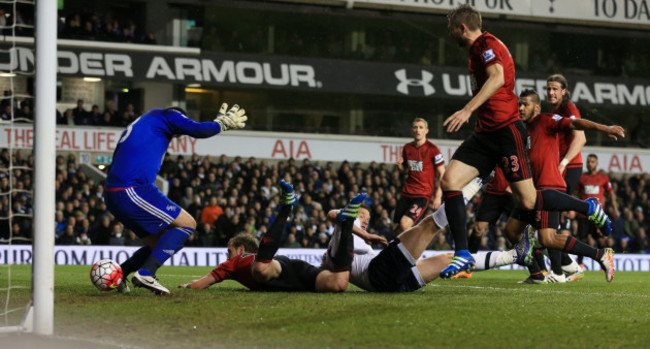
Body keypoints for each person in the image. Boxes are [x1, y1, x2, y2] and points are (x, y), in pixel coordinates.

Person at [439, 4, 612, 278]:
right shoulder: (476, 51)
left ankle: (587, 207)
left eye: (451, 28)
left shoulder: (488, 44)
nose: (449, 34)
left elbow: (497, 77)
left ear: (462, 27)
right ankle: (462, 253)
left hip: (506, 133)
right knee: (449, 182)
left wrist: (468, 109)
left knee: (530, 202)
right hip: (484, 134)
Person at [104, 103, 247, 295]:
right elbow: (199, 130)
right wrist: (220, 124)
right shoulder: (168, 115)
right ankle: (147, 273)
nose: (178, 134)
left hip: (115, 192)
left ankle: (120, 274)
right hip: (131, 189)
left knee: (158, 243)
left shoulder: (143, 122)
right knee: (187, 224)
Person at [320, 176, 534, 293]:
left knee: (450, 259)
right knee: (430, 224)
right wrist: (364, 234)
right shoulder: (342, 229)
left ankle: (516, 255)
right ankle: (479, 181)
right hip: (380, 273)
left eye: (366, 218)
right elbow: (334, 214)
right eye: (361, 215)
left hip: (393, 284)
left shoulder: (339, 246)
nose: (365, 220)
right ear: (351, 214)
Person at [504, 89, 624, 283]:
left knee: (548, 239)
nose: (521, 108)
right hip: (531, 190)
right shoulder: (523, 129)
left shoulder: (547, 120)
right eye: (519, 104)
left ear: (536, 107)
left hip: (548, 187)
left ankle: (599, 255)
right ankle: (539, 273)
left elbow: (575, 123)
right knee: (511, 230)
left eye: (525, 104)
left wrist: (605, 128)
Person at [179, 181, 356, 293]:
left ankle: (286, 208)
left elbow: (200, 284)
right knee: (339, 284)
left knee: (261, 269)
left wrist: (187, 286)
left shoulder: (237, 261)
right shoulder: (242, 265)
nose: (226, 257)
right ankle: (347, 225)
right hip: (294, 276)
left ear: (241, 249)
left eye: (229, 251)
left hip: (277, 268)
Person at [394, 117, 445, 233]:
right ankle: (400, 251)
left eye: (421, 127)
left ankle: (412, 250)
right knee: (396, 229)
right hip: (406, 192)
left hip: (422, 194)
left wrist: (438, 196)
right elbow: (406, 170)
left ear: (426, 131)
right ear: (412, 130)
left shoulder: (433, 149)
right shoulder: (407, 148)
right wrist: (399, 167)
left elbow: (442, 173)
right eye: (415, 127)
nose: (418, 130)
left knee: (405, 223)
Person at [575, 154, 619, 267]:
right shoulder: (582, 178)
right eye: (589, 161)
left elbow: (611, 194)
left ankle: (604, 264)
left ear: (597, 163)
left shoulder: (603, 178)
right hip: (583, 214)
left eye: (593, 162)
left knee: (600, 240)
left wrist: (615, 209)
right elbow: (576, 194)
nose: (590, 164)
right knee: (582, 239)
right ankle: (580, 264)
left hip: (598, 215)